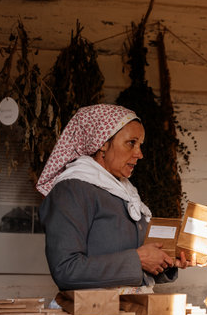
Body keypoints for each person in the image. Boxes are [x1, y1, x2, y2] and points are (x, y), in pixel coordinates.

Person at [37, 104, 197, 290]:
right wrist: (138, 259)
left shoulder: (125, 193)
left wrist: (168, 261)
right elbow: (66, 270)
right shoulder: (72, 190)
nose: (139, 154)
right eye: (131, 143)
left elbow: (138, 266)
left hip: (131, 312)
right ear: (103, 143)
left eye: (140, 145)